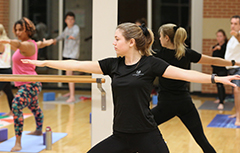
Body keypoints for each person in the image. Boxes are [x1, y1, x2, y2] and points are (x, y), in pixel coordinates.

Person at [22, 22, 240, 153]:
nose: (114, 43)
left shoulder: (151, 64)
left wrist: (216, 79)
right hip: (121, 136)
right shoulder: (112, 65)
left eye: (117, 39)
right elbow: (78, 64)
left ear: (131, 42)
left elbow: (185, 74)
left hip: (147, 135)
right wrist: (44, 62)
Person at [151, 23, 240, 153]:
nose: (159, 39)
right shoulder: (186, 53)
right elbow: (213, 60)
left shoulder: (158, 55)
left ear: (166, 38)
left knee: (141, 127)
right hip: (185, 103)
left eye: (160, 36)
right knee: (202, 141)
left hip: (166, 105)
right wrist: (234, 63)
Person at [0, 17, 53, 152]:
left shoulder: (27, 45)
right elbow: (37, 45)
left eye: (20, 30)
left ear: (28, 30)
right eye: (16, 30)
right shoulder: (32, 43)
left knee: (16, 106)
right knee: (34, 107)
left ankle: (18, 142)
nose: (17, 32)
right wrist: (46, 43)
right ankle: (39, 130)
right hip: (27, 84)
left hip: (30, 84)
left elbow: (18, 45)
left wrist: (5, 40)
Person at [53, 11, 80, 103]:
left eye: (72, 19)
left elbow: (75, 34)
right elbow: (61, 36)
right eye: (68, 19)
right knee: (68, 74)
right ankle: (70, 92)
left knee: (69, 74)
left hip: (73, 55)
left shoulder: (76, 28)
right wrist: (54, 40)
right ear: (65, 20)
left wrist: (73, 36)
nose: (70, 21)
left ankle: (72, 96)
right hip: (66, 54)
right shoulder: (66, 29)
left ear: (74, 20)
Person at [224, 15, 240, 126]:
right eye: (231, 23)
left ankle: (238, 117)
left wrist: (238, 35)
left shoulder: (237, 35)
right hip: (232, 69)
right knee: (236, 93)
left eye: (236, 24)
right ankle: (237, 113)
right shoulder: (232, 38)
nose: (233, 26)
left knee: (237, 91)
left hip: (238, 68)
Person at [211, 29, 228, 109]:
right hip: (216, 68)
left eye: (220, 36)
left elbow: (224, 54)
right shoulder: (216, 45)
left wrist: (219, 48)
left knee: (220, 84)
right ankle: (222, 98)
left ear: (224, 37)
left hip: (222, 68)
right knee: (218, 84)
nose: (218, 38)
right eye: (217, 36)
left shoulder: (225, 46)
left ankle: (221, 102)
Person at [0, 24, 14, 116]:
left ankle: (14, 111)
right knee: (8, 91)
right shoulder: (7, 40)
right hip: (6, 69)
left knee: (7, 91)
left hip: (3, 70)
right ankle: (13, 111)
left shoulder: (1, 42)